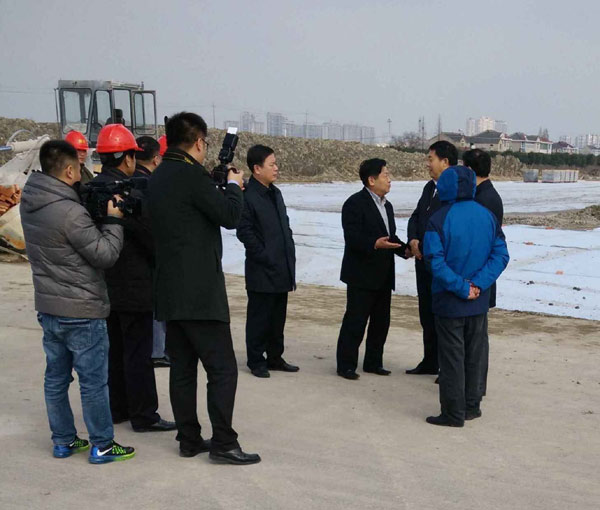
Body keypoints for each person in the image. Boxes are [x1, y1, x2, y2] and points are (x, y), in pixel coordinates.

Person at [148, 112, 260, 465]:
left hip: (169, 288)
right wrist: (233, 186)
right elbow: (229, 216)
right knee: (222, 368)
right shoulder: (191, 176)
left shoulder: (159, 175)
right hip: (199, 291)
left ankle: (189, 439)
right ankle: (224, 442)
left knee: (182, 369)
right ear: (198, 142)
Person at [20, 140, 135, 463]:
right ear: (69, 170)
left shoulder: (30, 201)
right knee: (93, 382)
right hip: (82, 309)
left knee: (56, 379)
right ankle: (102, 444)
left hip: (49, 306)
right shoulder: (70, 212)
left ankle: (63, 440)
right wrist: (113, 220)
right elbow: (105, 254)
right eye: (78, 169)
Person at [93, 125, 175, 433]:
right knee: (138, 353)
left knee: (114, 350)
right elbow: (152, 237)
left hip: (104, 284)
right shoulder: (131, 193)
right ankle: (144, 415)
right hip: (136, 285)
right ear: (128, 158)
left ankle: (118, 408)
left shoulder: (92, 190)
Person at [423, 166, 509, 427]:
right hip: (478, 301)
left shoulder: (438, 219)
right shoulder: (487, 216)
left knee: (452, 358)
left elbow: (434, 261)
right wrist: (478, 284)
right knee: (475, 355)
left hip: (449, 301)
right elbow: (500, 255)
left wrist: (461, 287)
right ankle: (472, 406)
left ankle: (453, 412)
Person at [336, 158, 408, 380]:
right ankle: (346, 365)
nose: (389, 179)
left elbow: (390, 237)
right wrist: (374, 244)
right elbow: (352, 238)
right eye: (385, 175)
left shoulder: (387, 206)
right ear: (371, 180)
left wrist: (406, 250)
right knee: (355, 322)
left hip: (384, 274)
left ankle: (374, 362)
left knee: (381, 322)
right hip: (361, 274)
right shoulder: (354, 204)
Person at [236, 145, 298, 378]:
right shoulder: (248, 196)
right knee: (259, 318)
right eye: (271, 164)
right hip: (262, 269)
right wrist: (264, 255)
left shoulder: (275, 193)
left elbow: (284, 225)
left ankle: (275, 357)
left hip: (281, 266)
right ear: (257, 168)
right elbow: (245, 232)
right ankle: (256, 360)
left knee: (277, 317)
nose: (276, 168)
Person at [405, 141, 458, 377]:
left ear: (445, 162)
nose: (428, 164)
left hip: (441, 265)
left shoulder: (455, 191)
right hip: (422, 262)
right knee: (426, 314)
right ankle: (430, 361)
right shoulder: (429, 188)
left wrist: (426, 245)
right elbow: (416, 217)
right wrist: (413, 239)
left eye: (431, 159)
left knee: (443, 317)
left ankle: (447, 369)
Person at [463, 148, 505, 397]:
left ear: (469, 170)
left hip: (479, 279)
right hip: (478, 279)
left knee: (477, 339)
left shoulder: (485, 199)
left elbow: (486, 246)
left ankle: (476, 388)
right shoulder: (482, 194)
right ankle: (471, 386)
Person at [135, 136, 170, 368]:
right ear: (157, 159)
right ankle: (158, 350)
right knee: (156, 305)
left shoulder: (130, 182)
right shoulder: (151, 186)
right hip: (151, 259)